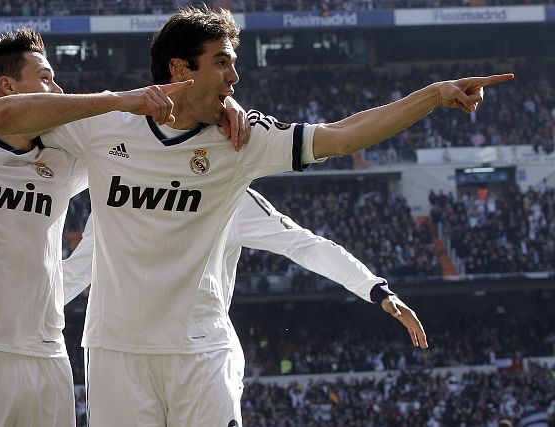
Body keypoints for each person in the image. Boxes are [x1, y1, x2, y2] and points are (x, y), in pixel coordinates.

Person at [39, 5, 512, 425]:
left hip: (201, 350)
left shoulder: (241, 142)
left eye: (233, 63)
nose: (234, 76)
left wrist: (433, 95)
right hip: (115, 350)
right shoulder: (103, 127)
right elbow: (9, 125)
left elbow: (342, 136)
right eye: (222, 62)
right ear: (180, 68)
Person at [0, 29, 249, 426]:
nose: (58, 89)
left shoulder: (66, 156)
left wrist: (223, 110)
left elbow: (151, 141)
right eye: (45, 77)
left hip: (49, 358)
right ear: (7, 86)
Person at [62, 186, 413, 411]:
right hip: (122, 354)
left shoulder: (227, 191)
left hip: (200, 352)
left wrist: (373, 288)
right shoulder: (118, 187)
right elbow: (77, 271)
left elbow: (303, 244)